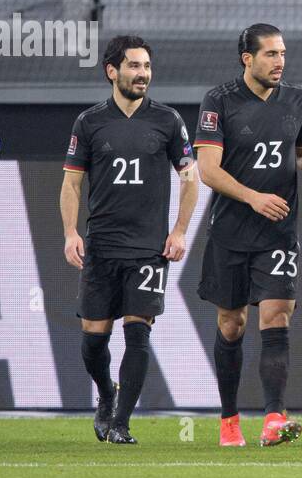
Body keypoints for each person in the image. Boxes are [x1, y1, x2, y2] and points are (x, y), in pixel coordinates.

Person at [195, 24, 302, 447]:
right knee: (231, 324)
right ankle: (229, 419)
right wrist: (252, 198)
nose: (280, 61)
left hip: (279, 232)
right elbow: (207, 169)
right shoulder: (219, 100)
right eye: (270, 54)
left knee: (277, 314)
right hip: (230, 231)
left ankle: (273, 418)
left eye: (282, 53)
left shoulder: (297, 100)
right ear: (248, 59)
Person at [60, 35, 199, 444]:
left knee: (138, 331)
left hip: (148, 250)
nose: (143, 74)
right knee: (92, 340)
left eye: (147, 67)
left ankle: (121, 422)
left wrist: (179, 231)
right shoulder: (89, 122)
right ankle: (106, 394)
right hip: (101, 246)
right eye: (135, 66)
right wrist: (70, 232)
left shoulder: (168, 121)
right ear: (112, 71)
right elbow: (71, 184)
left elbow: (190, 179)